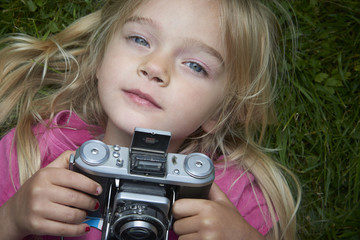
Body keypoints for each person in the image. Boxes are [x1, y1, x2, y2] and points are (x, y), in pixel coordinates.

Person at [0, 0, 301, 239]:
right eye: (140, 39)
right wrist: (12, 219)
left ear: (220, 112)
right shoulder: (34, 152)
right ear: (99, 60)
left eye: (195, 66)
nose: (155, 67)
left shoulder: (233, 196)